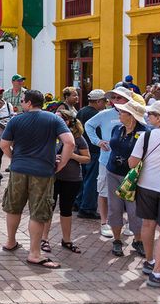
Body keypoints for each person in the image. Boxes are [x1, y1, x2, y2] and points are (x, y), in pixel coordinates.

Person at [0, 89, 75, 269]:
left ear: (28, 102)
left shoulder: (16, 120)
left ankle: (11, 241)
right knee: (38, 212)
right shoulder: (54, 119)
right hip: (43, 171)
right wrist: (62, 163)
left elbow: (4, 145)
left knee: (14, 206)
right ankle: (34, 253)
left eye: (23, 101)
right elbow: (70, 142)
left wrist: (14, 158)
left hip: (19, 169)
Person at [130, 100, 160, 288]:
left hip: (145, 185)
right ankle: (158, 272)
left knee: (148, 224)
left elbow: (132, 163)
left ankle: (150, 262)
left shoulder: (146, 136)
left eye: (151, 114)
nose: (148, 117)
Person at [40, 108, 91, 255]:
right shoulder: (51, 135)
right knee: (49, 208)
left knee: (66, 209)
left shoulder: (77, 138)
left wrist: (71, 156)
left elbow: (87, 159)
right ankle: (44, 239)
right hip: (53, 177)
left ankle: (67, 240)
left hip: (72, 179)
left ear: (67, 121)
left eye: (58, 118)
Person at [85, 86, 132, 238]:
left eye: (119, 98)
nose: (116, 101)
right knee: (104, 191)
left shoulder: (135, 114)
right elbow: (88, 125)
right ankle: (104, 223)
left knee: (129, 192)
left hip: (130, 162)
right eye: (113, 98)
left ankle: (130, 222)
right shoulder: (104, 114)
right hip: (107, 160)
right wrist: (97, 141)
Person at [106, 99, 149, 257]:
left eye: (122, 112)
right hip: (112, 173)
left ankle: (138, 240)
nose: (119, 114)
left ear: (131, 116)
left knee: (134, 210)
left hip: (132, 177)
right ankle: (117, 240)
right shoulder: (117, 129)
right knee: (114, 208)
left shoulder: (145, 133)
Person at [75, 89, 108, 220]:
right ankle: (87, 207)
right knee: (91, 180)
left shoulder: (82, 111)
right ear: (98, 101)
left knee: (84, 178)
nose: (105, 104)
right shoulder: (95, 114)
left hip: (83, 148)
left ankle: (79, 202)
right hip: (93, 150)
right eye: (104, 101)